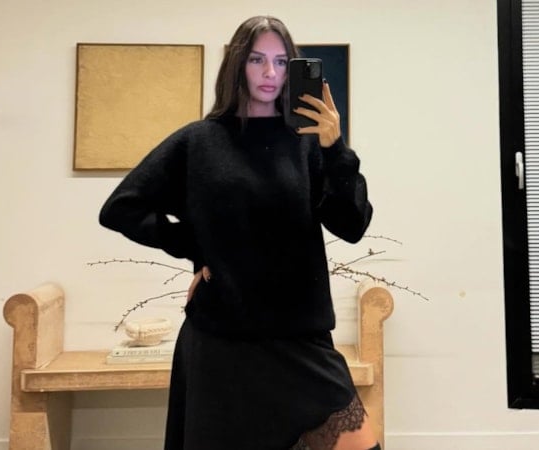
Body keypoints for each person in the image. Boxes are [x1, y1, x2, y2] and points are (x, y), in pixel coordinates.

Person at [98, 15, 380, 450]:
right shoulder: (199, 141)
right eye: (256, 59)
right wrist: (197, 248)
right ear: (236, 65)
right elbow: (120, 208)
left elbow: (352, 225)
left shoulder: (307, 141)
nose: (270, 73)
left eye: (281, 61)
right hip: (222, 339)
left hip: (300, 336)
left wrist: (336, 149)